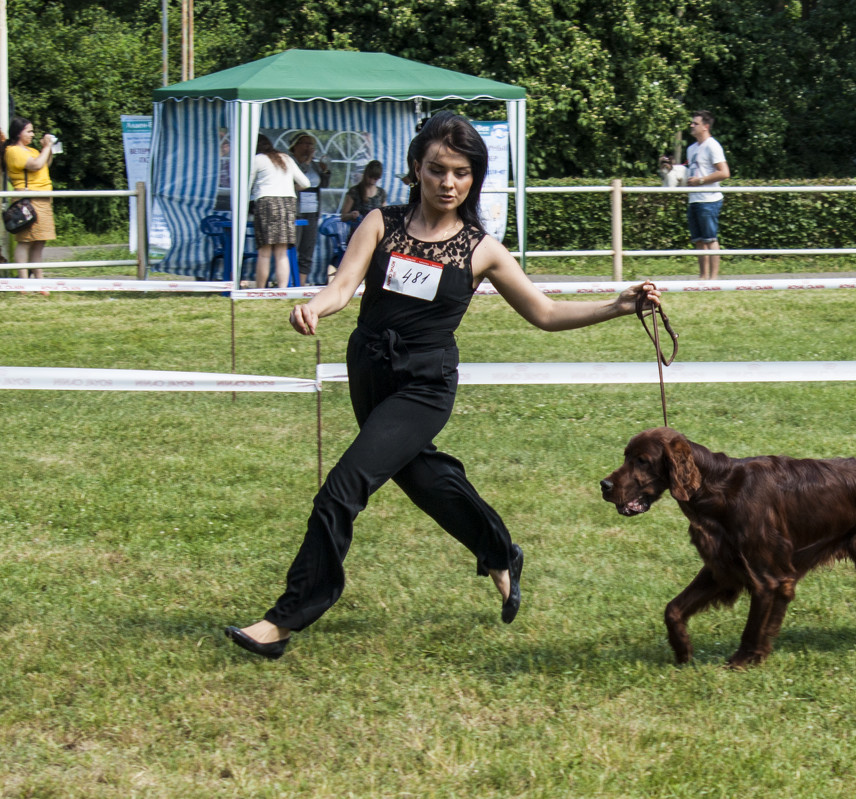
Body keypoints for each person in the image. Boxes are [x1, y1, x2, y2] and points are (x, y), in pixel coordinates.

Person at [224, 111, 661, 660]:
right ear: (416, 169)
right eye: (437, 170)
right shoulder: (380, 222)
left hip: (424, 386)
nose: (448, 183)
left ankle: (284, 621)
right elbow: (340, 287)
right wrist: (312, 306)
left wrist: (619, 307)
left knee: (342, 489)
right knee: (425, 478)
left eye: (460, 172)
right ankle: (501, 552)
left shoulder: (483, 249)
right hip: (369, 367)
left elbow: (545, 313)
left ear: (474, 177)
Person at [251, 134, 310, 289]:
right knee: (282, 252)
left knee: (264, 252)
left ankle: (260, 290)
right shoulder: (286, 158)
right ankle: (282, 290)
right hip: (288, 203)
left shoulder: (258, 159)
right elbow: (305, 183)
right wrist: (289, 187)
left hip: (266, 202)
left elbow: (246, 185)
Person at [3, 117, 57, 286]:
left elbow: (44, 164)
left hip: (42, 198)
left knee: (40, 240)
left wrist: (46, 149)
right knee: (25, 240)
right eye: (29, 131)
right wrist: (47, 147)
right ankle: (23, 282)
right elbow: (35, 165)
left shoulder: (32, 150)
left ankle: (39, 281)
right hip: (27, 199)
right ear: (18, 133)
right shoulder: (13, 151)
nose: (33, 134)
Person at [685, 111, 730, 280]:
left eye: (695, 123)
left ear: (705, 126)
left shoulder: (713, 146)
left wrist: (701, 181)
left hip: (709, 199)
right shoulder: (691, 149)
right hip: (694, 198)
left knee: (710, 239)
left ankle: (713, 278)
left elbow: (724, 172)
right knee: (698, 240)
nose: (691, 126)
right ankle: (702, 277)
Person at [290, 133, 331, 286]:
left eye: (310, 144)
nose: (308, 147)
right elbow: (297, 177)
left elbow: (324, 185)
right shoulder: (291, 162)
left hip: (312, 211)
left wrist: (325, 171)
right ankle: (289, 282)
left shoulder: (314, 164)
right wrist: (306, 162)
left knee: (308, 248)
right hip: (296, 211)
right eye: (305, 143)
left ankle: (301, 284)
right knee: (293, 247)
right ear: (295, 146)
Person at [340, 159, 387, 230]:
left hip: (374, 234)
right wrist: (351, 215)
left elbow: (385, 215)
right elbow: (343, 217)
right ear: (365, 174)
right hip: (357, 233)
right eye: (370, 177)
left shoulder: (381, 193)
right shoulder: (354, 191)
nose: (372, 181)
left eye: (375, 179)